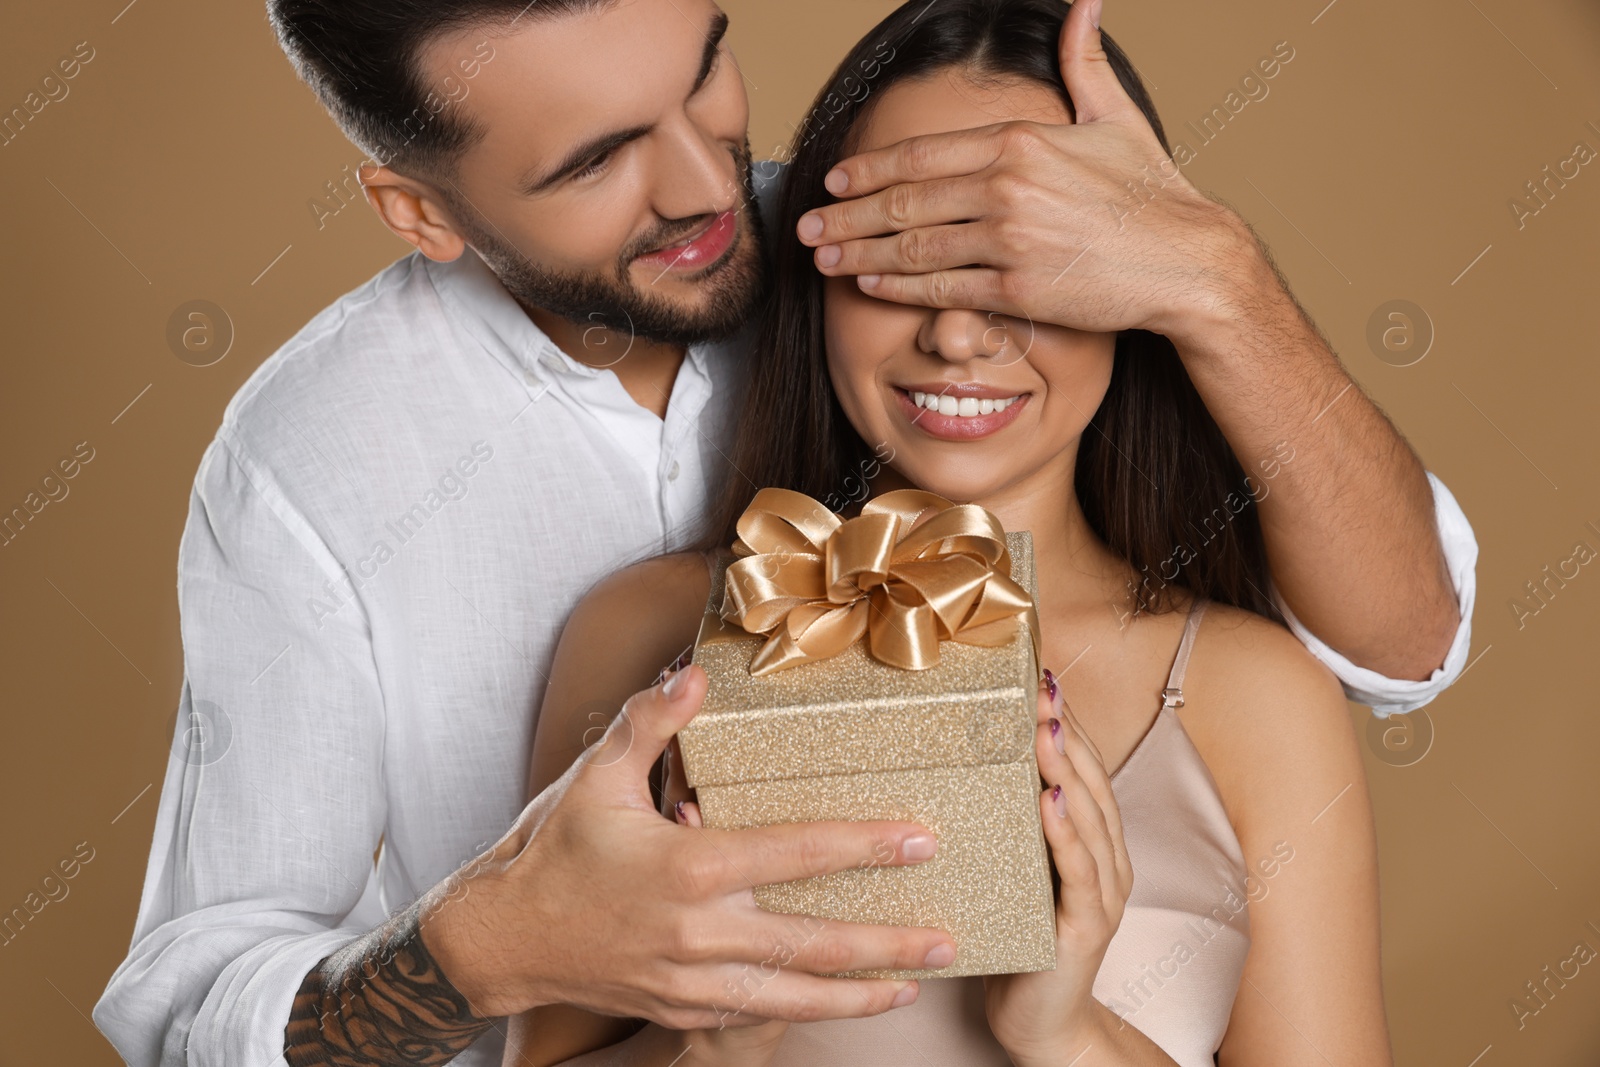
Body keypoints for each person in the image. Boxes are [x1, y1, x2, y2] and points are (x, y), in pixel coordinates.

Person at [91, 0, 1470, 1063]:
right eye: (597, 157)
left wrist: (1212, 274)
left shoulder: (1242, 681)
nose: (706, 186)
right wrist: (505, 947)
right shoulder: (353, 490)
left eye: (703, 68)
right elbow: (197, 993)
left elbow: (1410, 633)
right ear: (422, 206)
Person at [504, 2, 1397, 1063]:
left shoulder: (1253, 695)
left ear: (1131, 290)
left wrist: (1067, 1032)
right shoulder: (647, 633)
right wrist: (718, 1042)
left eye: (1024, 261)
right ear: (815, 276)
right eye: (897, 253)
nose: (957, 331)